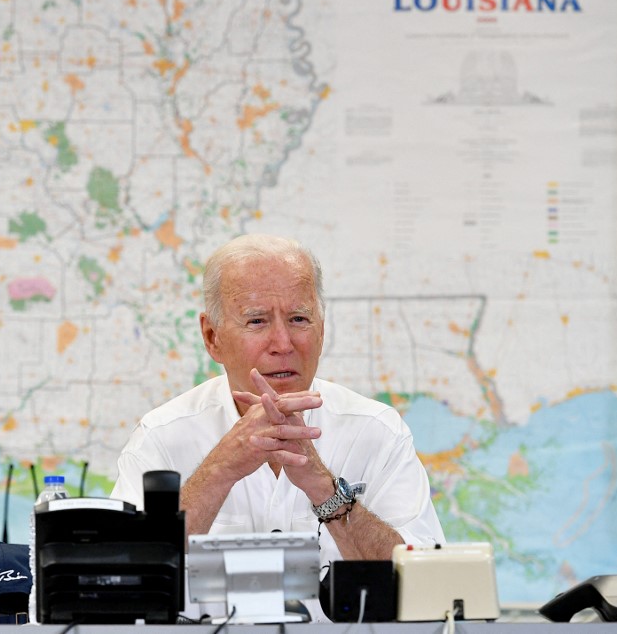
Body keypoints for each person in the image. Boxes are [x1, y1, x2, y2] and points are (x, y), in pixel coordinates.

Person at [111, 234, 444, 573]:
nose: (283, 344)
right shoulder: (161, 436)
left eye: (299, 319)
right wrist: (218, 471)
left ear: (322, 329)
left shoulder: (376, 431)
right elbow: (119, 576)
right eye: (256, 321)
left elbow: (426, 581)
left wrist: (325, 489)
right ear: (213, 338)